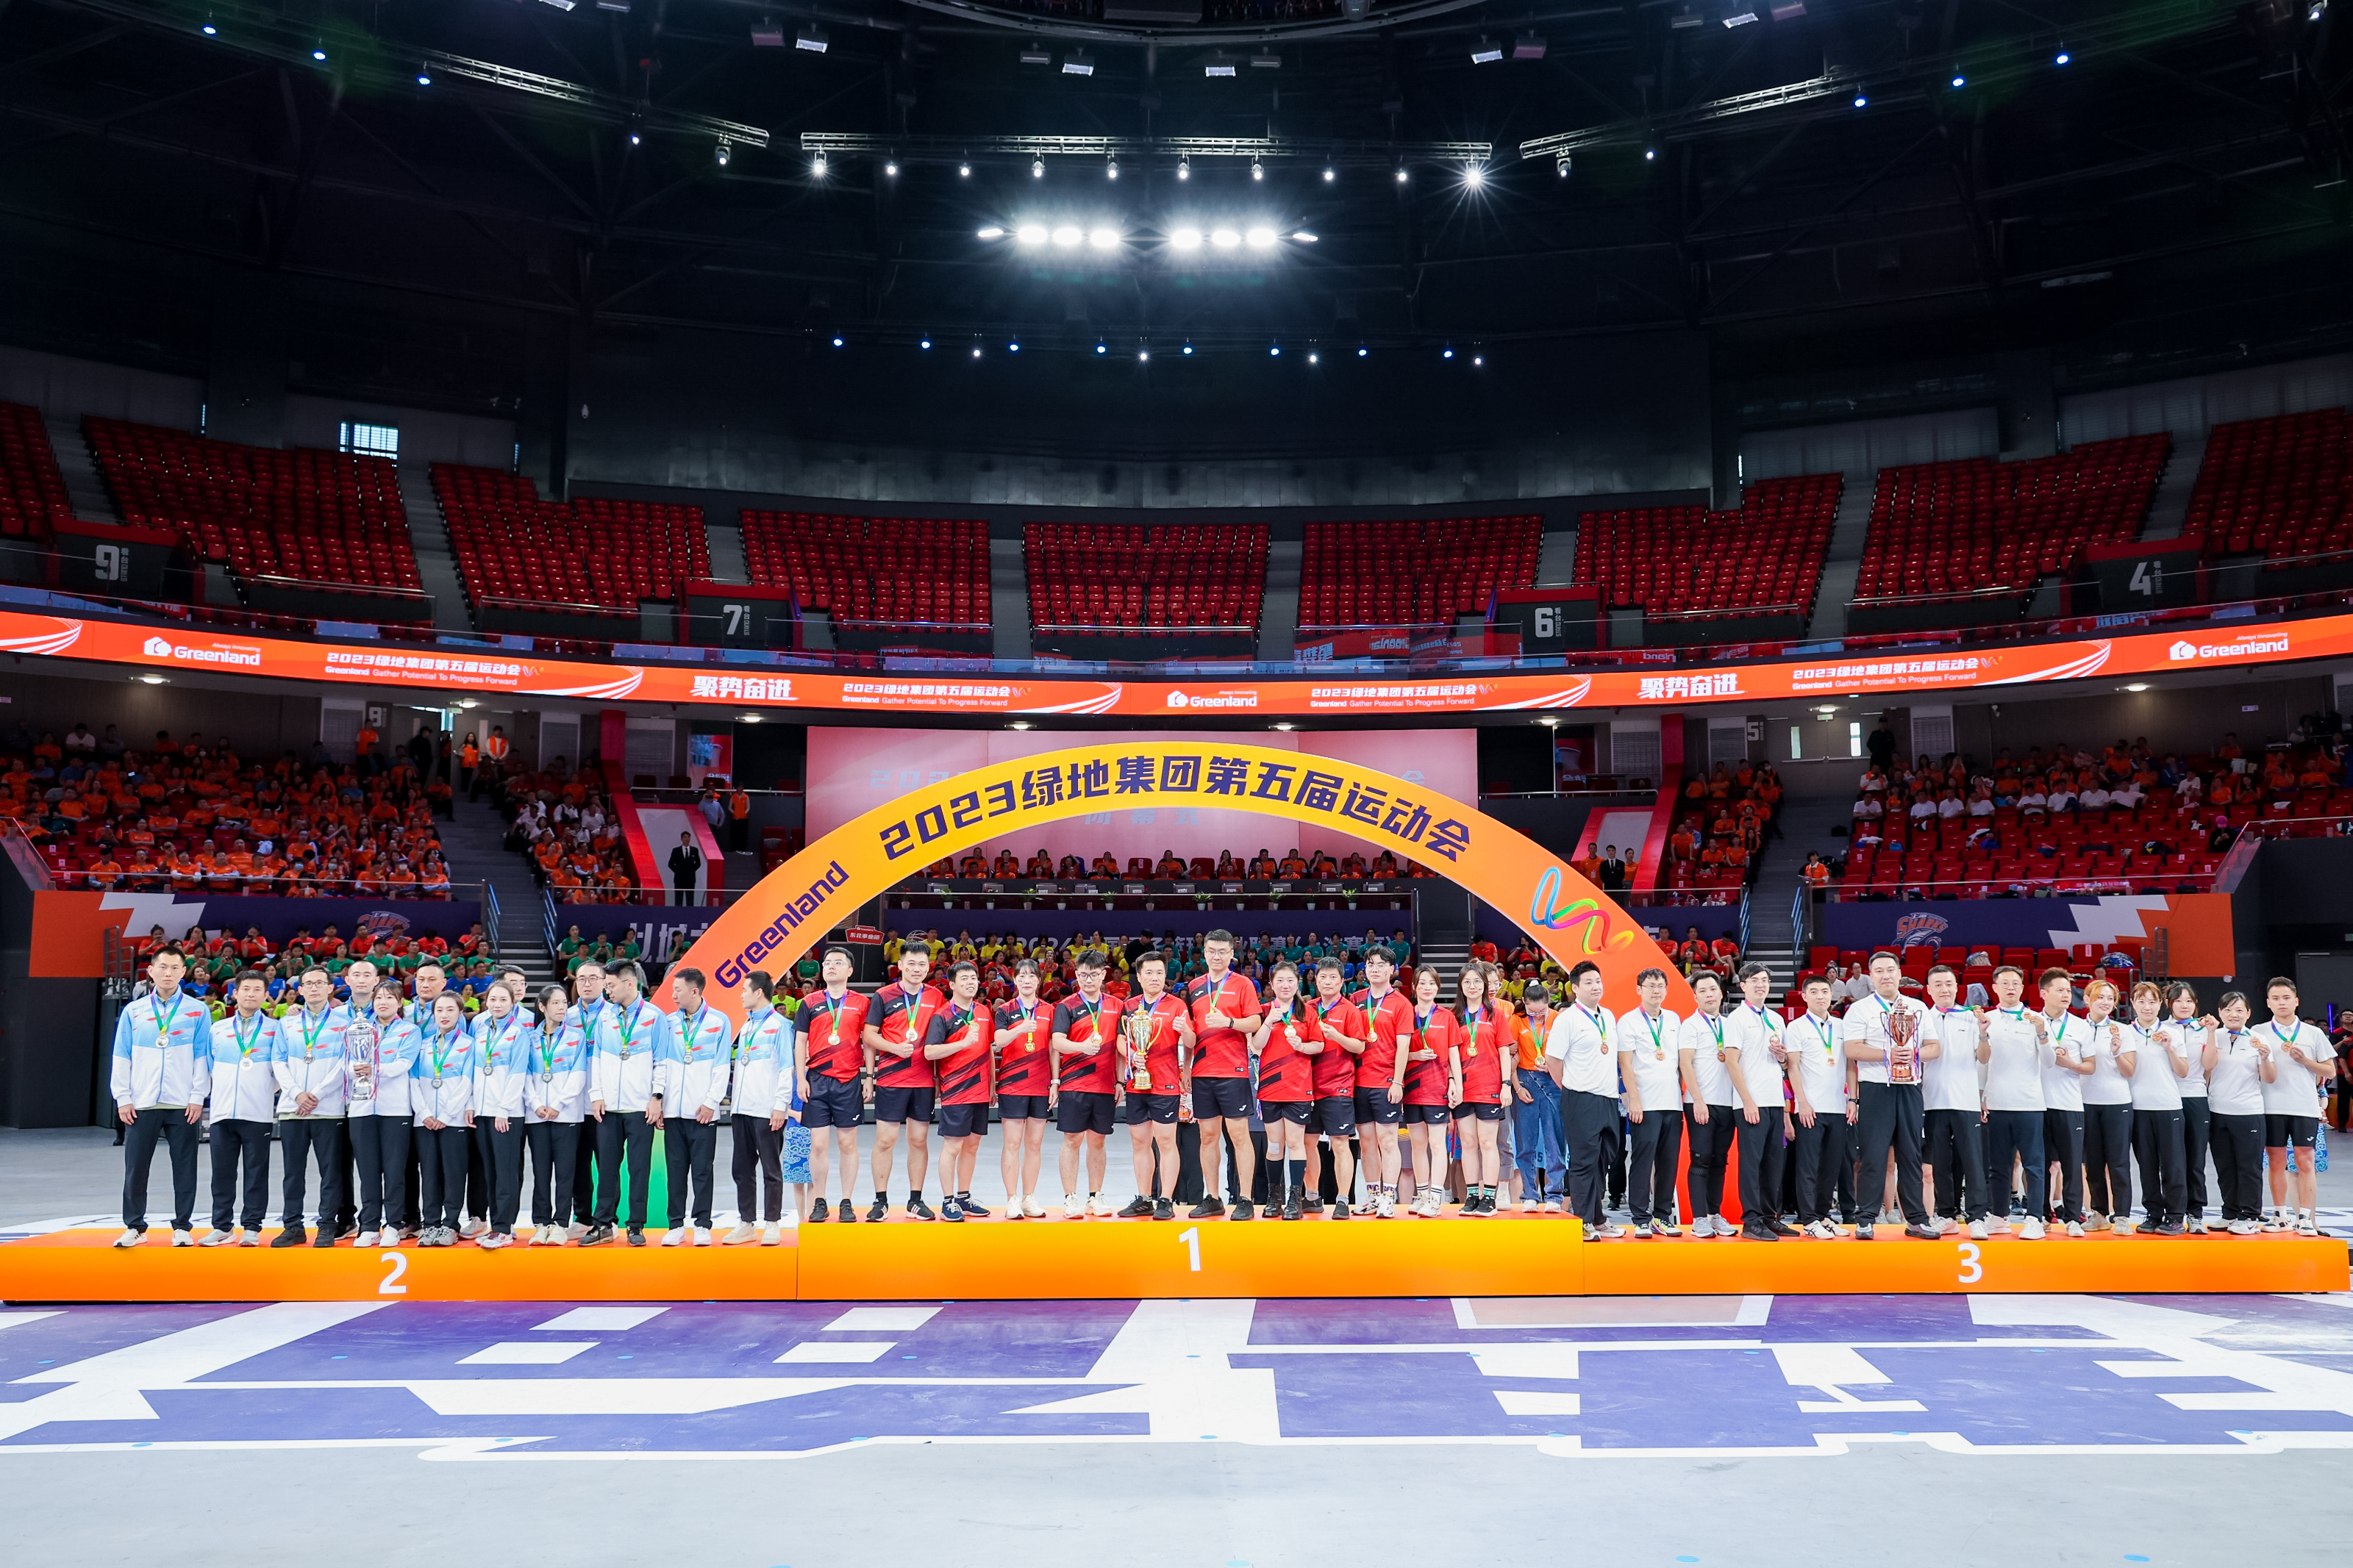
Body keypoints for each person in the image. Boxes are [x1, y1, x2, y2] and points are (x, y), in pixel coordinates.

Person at [1839, 951, 1940, 1241]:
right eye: (1879, 971)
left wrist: (1914, 1054)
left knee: (1911, 1155)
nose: (1886, 975)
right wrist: (1888, 1054)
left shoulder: (1918, 1007)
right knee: (1873, 1155)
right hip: (1876, 1089)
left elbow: (1934, 1047)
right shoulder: (1859, 1009)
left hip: (1910, 1088)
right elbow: (1852, 1049)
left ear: (1899, 974)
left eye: (1891, 970)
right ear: (1871, 977)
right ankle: (1866, 1219)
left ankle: (1916, 1220)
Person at [1186, 929, 1264, 1220]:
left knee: (1239, 1136)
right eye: (1211, 951)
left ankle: (1246, 1198)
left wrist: (1228, 1022)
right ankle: (1213, 1198)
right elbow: (1191, 1032)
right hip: (1202, 1072)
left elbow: (1255, 1022)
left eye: (1222, 951)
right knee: (1207, 1137)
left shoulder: (1243, 984)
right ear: (1204, 953)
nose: (1216, 956)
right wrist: (1186, 1066)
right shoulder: (1194, 986)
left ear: (1232, 954)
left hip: (1234, 1071)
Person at [272, 965, 351, 1248]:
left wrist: (316, 1094)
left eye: (320, 983)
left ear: (330, 988)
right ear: (300, 990)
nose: (314, 988)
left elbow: (345, 1062)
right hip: (293, 1109)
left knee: (331, 1173)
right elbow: (278, 1060)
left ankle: (327, 1226)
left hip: (328, 1108)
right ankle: (293, 1226)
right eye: (309, 984)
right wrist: (296, 1094)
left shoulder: (344, 1023)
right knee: (293, 1173)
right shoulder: (287, 1023)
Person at [585, 962, 663, 1246]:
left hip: (641, 1108)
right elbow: (596, 1058)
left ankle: (636, 1225)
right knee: (606, 1168)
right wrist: (596, 1094)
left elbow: (661, 1060)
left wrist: (656, 1097)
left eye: (610, 985)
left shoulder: (654, 1017)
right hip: (608, 1108)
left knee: (638, 1169)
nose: (607, 990)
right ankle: (603, 1224)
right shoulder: (604, 1017)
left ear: (629, 984)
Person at [201, 969, 280, 1247]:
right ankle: (222, 1227)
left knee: (256, 1172)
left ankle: (252, 1227)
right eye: (246, 989)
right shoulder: (218, 1029)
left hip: (257, 1112)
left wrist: (260, 1089)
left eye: (257, 990)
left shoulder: (275, 1030)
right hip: (222, 1111)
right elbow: (209, 1067)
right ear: (234, 993)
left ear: (266, 995)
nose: (251, 994)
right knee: (222, 1173)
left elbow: (279, 1071)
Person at [1546, 960, 1624, 1240]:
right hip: (1580, 1099)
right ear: (1575, 988)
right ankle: (1581, 1221)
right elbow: (1553, 1060)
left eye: (1598, 981)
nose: (1595, 987)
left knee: (1603, 1160)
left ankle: (1598, 1217)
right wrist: (1570, 1087)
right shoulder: (1567, 1019)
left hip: (1608, 1098)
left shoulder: (1608, 1016)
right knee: (1583, 1161)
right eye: (1588, 982)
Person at [865, 940, 943, 1221]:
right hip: (891, 1079)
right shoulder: (883, 996)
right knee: (886, 1140)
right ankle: (880, 1201)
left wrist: (939, 1078)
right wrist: (894, 1048)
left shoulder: (936, 997)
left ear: (928, 967)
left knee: (918, 1140)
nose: (916, 969)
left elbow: (941, 1038)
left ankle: (915, 1201)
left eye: (922, 964)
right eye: (911, 963)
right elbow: (869, 1035)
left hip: (923, 1080)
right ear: (900, 965)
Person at [657, 966, 733, 1245]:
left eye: (677, 990)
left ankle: (702, 1224)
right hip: (673, 1112)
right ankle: (676, 1225)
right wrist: (661, 1103)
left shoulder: (719, 1021)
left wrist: (711, 1102)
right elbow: (662, 1064)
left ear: (694, 991)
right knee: (676, 1172)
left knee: (702, 1171)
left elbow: (722, 1066)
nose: (673, 995)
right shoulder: (668, 1023)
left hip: (703, 1112)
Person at [797, 945, 871, 1224]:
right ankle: (820, 1201)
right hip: (816, 1080)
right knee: (818, 1145)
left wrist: (868, 1077)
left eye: (838, 963)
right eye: (827, 963)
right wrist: (801, 1078)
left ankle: (847, 1201)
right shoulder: (809, 1002)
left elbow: (868, 1042)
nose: (830, 966)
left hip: (848, 1080)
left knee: (847, 1143)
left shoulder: (862, 1003)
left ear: (850, 970)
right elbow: (800, 1042)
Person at [1051, 949, 1124, 1219]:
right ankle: (1071, 1198)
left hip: (1105, 1084)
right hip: (1074, 1083)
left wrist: (1120, 1080)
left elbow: (1120, 1048)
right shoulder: (1066, 1006)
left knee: (1098, 1141)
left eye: (1093, 975)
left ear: (1103, 974)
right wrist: (1081, 1046)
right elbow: (1057, 1042)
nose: (1088, 980)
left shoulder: (1117, 1006)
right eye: (1083, 975)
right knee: (1072, 1140)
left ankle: (1095, 1196)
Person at [1727, 961, 1797, 1241]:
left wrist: (1782, 1056)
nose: (1761, 985)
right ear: (1743, 986)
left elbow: (1784, 1063)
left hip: (1774, 1101)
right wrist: (1747, 1101)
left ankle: (1770, 1217)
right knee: (1751, 1164)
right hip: (1750, 1103)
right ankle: (1751, 1221)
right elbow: (1731, 1062)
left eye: (1765, 980)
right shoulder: (1737, 1019)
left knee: (1773, 1163)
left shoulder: (1776, 1019)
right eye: (1754, 980)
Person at [1977, 966, 2049, 1239]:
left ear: (2022, 988)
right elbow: (1982, 1061)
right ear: (1995, 988)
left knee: (2034, 1165)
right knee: (1998, 1166)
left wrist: (2042, 1033)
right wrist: (1981, 1094)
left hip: (2029, 1103)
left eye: (2016, 983)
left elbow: (2050, 1061)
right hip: (1997, 1102)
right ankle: (1998, 1216)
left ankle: (2035, 1218)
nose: (2010, 988)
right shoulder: (1988, 1020)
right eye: (2005, 983)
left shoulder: (2037, 1019)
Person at [1920, 963, 1990, 1239]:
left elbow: (1983, 1057)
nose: (1944, 989)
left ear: (1957, 987)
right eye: (1938, 984)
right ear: (1929, 989)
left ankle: (1977, 1217)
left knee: (1973, 1162)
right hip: (1932, 1100)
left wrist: (1983, 1032)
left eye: (1949, 984)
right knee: (1940, 1164)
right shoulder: (1922, 1019)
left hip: (1966, 1101)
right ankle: (1947, 1215)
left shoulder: (1971, 1017)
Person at [2257, 976, 2331, 1236]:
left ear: (2296, 1001)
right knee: (2276, 1162)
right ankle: (2280, 1216)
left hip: (2304, 1106)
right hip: (2270, 1106)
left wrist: (2306, 1061)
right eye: (2276, 998)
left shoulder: (2314, 1033)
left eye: (2286, 998)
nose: (2282, 1003)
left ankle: (2306, 1218)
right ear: (2268, 1003)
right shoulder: (2258, 1032)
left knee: (2305, 1162)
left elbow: (2330, 1071)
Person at [521, 984, 593, 1247]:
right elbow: (524, 1074)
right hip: (537, 1116)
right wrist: (536, 1104)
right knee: (541, 1173)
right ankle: (541, 1224)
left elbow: (579, 1074)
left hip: (567, 1115)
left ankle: (561, 1224)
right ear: (542, 1007)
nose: (562, 1008)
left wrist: (558, 1104)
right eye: (555, 1003)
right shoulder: (529, 1038)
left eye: (564, 1003)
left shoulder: (576, 1036)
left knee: (565, 1173)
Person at [1615, 966, 1685, 1237]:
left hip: (1672, 1103)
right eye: (1650, 986)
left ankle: (1662, 1216)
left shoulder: (1674, 1019)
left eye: (1660, 986)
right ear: (1639, 989)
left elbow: (1681, 1062)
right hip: (1644, 1105)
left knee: (1668, 1163)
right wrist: (1633, 1100)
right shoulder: (1628, 1021)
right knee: (1642, 1162)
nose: (1656, 991)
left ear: (1666, 990)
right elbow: (1625, 1064)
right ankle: (1641, 1218)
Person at [349, 978, 418, 1247]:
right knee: (368, 1172)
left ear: (400, 1003)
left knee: (394, 1171)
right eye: (379, 998)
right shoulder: (358, 1029)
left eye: (390, 997)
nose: (383, 1002)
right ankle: (369, 1226)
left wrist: (375, 1070)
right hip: (362, 1108)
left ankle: (393, 1225)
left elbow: (404, 1064)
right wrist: (355, 1070)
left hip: (395, 1110)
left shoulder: (409, 1031)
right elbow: (346, 1063)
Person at [1346, 947, 1414, 1218]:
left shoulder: (1401, 1003)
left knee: (1388, 1141)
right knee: (1366, 1143)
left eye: (1381, 965)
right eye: (1371, 964)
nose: (1375, 969)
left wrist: (1397, 1082)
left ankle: (1388, 1198)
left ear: (1392, 969)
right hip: (1359, 1082)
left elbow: (1403, 1047)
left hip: (1386, 1082)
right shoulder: (1356, 999)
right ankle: (1373, 1197)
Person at [1785, 973, 1852, 1238]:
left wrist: (1853, 1099)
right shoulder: (1796, 1027)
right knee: (1808, 1166)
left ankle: (1823, 1215)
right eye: (1813, 992)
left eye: (1825, 991)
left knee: (1831, 1166)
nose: (1820, 996)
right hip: (1810, 1108)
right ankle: (1809, 1220)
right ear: (1804, 996)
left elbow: (1851, 1065)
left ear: (1832, 995)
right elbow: (1793, 1067)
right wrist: (1802, 1103)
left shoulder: (1842, 1026)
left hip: (1837, 1106)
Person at [2121, 980, 2190, 1236]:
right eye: (2141, 1001)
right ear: (2133, 1003)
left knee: (2173, 1166)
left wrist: (2169, 1048)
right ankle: (2153, 1214)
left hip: (2168, 1106)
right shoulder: (2125, 1033)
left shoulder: (2172, 1033)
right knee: (2147, 1166)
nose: (2147, 1007)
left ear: (2161, 1004)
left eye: (2152, 1002)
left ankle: (2175, 1217)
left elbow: (2183, 1072)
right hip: (2138, 1107)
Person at [1252, 962, 1318, 1220]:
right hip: (1270, 1088)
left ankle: (1295, 1199)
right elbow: (1256, 1046)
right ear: (1271, 984)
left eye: (1290, 980)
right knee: (1275, 1144)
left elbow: (1319, 1046)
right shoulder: (1263, 1011)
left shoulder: (1307, 1012)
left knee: (1295, 1143)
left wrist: (1301, 1046)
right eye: (1279, 980)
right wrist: (1269, 1021)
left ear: (1298, 983)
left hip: (1298, 1087)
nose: (1285, 985)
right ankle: (1274, 1198)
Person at [2202, 992, 2272, 1235]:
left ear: (2248, 1013)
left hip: (2248, 1112)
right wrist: (2211, 1033)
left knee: (2248, 1167)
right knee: (2225, 1167)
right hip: (2217, 1111)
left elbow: (2270, 1078)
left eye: (2239, 1010)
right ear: (2220, 1013)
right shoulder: (2213, 1036)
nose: (2234, 1014)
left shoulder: (2258, 1040)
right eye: (2228, 1010)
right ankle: (2230, 1214)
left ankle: (2250, 1216)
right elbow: (2207, 1069)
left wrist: (2265, 1058)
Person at [1675, 971, 1738, 1237]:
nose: (1709, 995)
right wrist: (1698, 1100)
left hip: (1728, 1103)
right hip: (1700, 1103)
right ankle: (1699, 1218)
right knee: (1700, 1161)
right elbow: (1685, 1063)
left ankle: (1715, 1215)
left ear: (1721, 993)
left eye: (1713, 989)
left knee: (1720, 1162)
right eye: (1702, 991)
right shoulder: (1691, 1025)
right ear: (1695, 997)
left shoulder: (1731, 1025)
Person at [468, 979, 529, 1248]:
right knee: (490, 1172)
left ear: (513, 1003)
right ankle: (496, 1225)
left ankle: (505, 1228)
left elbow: (518, 1074)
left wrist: (504, 1110)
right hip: (483, 1112)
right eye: (493, 999)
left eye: (503, 1000)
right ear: (486, 1002)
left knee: (505, 1172)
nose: (497, 1004)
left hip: (506, 1114)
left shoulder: (519, 1033)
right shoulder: (481, 1031)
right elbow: (474, 1071)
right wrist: (471, 1105)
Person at [412, 993, 476, 1246]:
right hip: (425, 1122)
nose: (444, 1015)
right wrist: (425, 1113)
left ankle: (450, 1224)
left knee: (454, 1173)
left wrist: (447, 1115)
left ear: (460, 1013)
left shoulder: (469, 1045)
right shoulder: (423, 1045)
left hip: (455, 1121)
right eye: (439, 1010)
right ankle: (430, 1225)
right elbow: (413, 1081)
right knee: (429, 1175)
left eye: (450, 1010)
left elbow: (468, 1082)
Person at [2035, 966, 2095, 1236]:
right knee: (2040, 1165)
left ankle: (2072, 1218)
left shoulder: (2081, 1027)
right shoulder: (2031, 1022)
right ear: (2043, 993)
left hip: (2070, 1104)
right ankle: (2040, 1215)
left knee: (2071, 1165)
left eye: (2068, 991)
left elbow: (2091, 1066)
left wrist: (2070, 1064)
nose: (2066, 995)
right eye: (2059, 990)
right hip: (2036, 1104)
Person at [995, 959, 1057, 1220]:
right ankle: (1012, 1199)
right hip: (1012, 1084)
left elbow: (1053, 1048)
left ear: (1039, 980)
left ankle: (1029, 1197)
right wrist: (1020, 1028)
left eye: (1032, 976)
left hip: (1041, 1085)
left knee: (1034, 1145)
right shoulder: (1005, 1010)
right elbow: (999, 1041)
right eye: (1022, 976)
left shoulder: (1050, 1010)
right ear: (1015, 979)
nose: (1027, 980)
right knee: (1012, 1143)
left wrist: (1055, 1082)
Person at [1398, 964, 1460, 1218]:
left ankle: (1435, 1198)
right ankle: (1422, 1195)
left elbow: (1454, 1053)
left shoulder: (1447, 1017)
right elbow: (1396, 1053)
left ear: (1438, 987)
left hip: (1437, 1089)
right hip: (1411, 1090)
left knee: (1437, 1144)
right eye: (1422, 983)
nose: (1427, 987)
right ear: (1414, 987)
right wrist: (1414, 1055)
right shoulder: (1405, 1014)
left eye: (1431, 983)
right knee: (1418, 1145)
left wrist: (1455, 1081)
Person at [2077, 978, 2135, 1232]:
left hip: (2117, 1102)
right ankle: (2099, 1212)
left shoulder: (2122, 1030)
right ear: (2087, 999)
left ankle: (2121, 1216)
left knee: (2118, 1163)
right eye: (2100, 997)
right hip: (2085, 1102)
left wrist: (2116, 1053)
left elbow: (2129, 1071)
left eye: (2110, 998)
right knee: (2093, 1163)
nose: (2105, 1002)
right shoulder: (2076, 1028)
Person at [2162, 982, 2215, 1234]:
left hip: (2195, 1097)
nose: (2185, 1005)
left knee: (2195, 1161)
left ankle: (2195, 1214)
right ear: (2168, 1004)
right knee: (2172, 1162)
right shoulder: (2161, 1029)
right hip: (2167, 1099)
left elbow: (2209, 1068)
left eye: (2190, 1001)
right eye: (2179, 1001)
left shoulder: (2204, 1030)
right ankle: (2172, 1214)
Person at [1509, 982, 1563, 1213]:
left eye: (1542, 1011)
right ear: (1525, 1004)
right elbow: (1510, 1057)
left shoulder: (1558, 1020)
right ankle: (1529, 1194)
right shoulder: (1516, 1021)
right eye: (1532, 1012)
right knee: (1525, 1142)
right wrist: (1517, 1087)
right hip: (1525, 1081)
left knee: (1555, 1141)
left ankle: (1555, 1195)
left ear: (1548, 1004)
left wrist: (1555, 1069)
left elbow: (1567, 1053)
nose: (1538, 1016)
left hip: (1553, 1081)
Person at [668, 831, 703, 906]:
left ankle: (690, 912)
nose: (687, 839)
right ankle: (678, 912)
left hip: (690, 879)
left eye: (688, 837)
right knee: (678, 899)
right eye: (685, 837)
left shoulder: (694, 850)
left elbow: (698, 863)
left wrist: (691, 871)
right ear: (682, 839)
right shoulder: (676, 851)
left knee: (690, 899)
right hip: (679, 879)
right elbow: (670, 864)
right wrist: (678, 871)